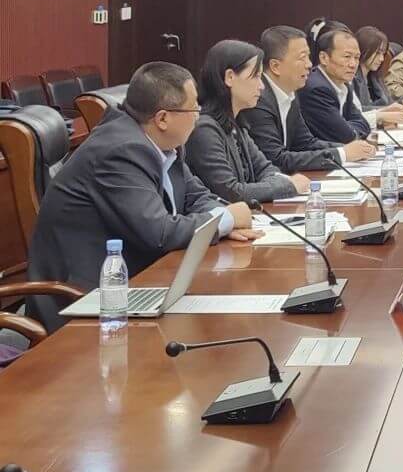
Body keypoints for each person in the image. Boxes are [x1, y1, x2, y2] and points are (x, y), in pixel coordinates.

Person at [26, 62, 261, 332]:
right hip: (87, 299)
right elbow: (159, 233)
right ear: (162, 119)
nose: (199, 116)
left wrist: (221, 220)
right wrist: (226, 219)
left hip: (137, 282)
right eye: (194, 109)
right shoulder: (120, 150)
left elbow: (196, 196)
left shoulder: (164, 143)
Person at [185, 40, 311, 205]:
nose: (262, 86)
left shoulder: (236, 123)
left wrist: (276, 184)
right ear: (230, 77)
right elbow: (231, 192)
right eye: (256, 76)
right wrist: (289, 186)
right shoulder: (204, 129)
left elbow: (266, 168)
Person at [240, 25, 377, 173]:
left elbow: (305, 143)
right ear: (275, 66)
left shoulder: (290, 93)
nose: (309, 64)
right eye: (302, 58)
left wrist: (347, 149)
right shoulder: (258, 100)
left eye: (308, 56)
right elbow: (276, 159)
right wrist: (342, 154)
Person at [353, 26, 394, 109]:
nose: (381, 59)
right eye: (378, 53)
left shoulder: (375, 77)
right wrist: (385, 110)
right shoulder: (351, 78)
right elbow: (356, 110)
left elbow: (389, 102)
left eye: (383, 54)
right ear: (364, 50)